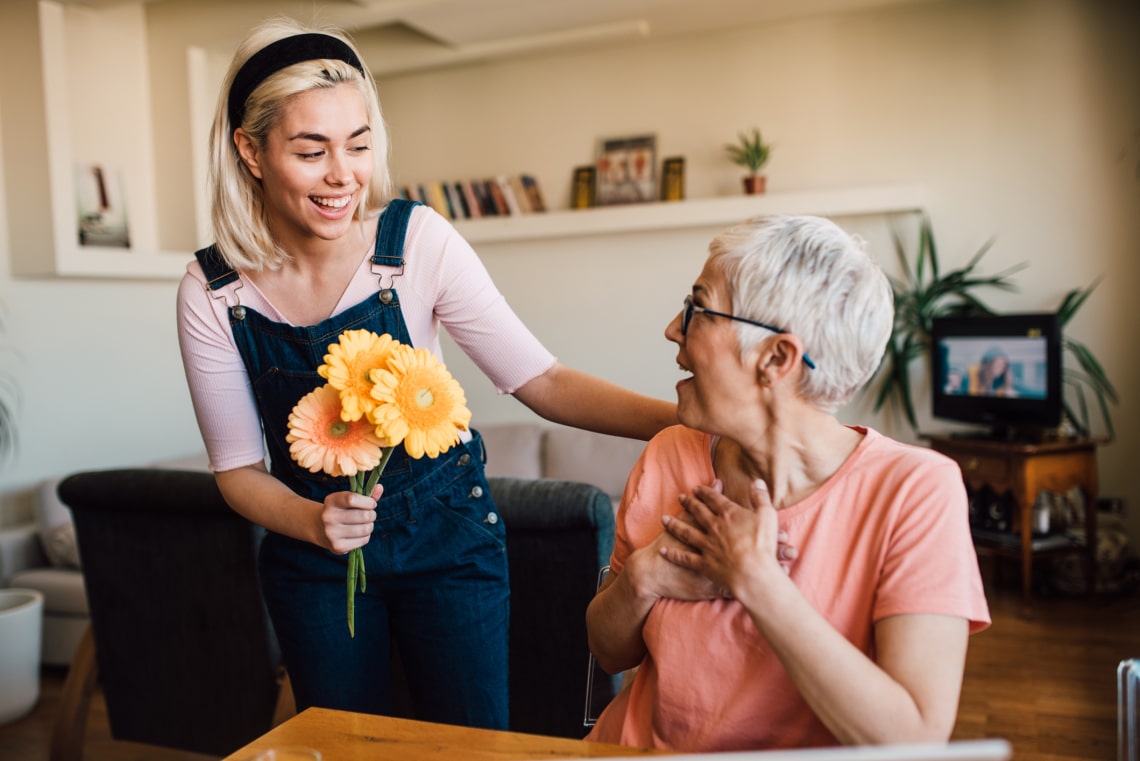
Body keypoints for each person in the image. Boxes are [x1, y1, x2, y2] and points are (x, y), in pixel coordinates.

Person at [175, 17, 675, 730]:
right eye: (311, 151)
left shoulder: (413, 244)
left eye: (358, 143)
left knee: (470, 744)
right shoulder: (215, 289)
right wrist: (313, 522)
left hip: (452, 542)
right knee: (346, 745)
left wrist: (690, 418)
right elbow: (236, 470)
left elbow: (544, 382)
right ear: (250, 151)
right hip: (315, 561)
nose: (343, 174)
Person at [584, 215, 990, 751]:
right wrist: (643, 577)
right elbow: (608, 652)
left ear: (776, 358)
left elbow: (913, 738)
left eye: (698, 309)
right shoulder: (670, 454)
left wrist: (757, 581)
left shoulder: (916, 491)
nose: (673, 329)